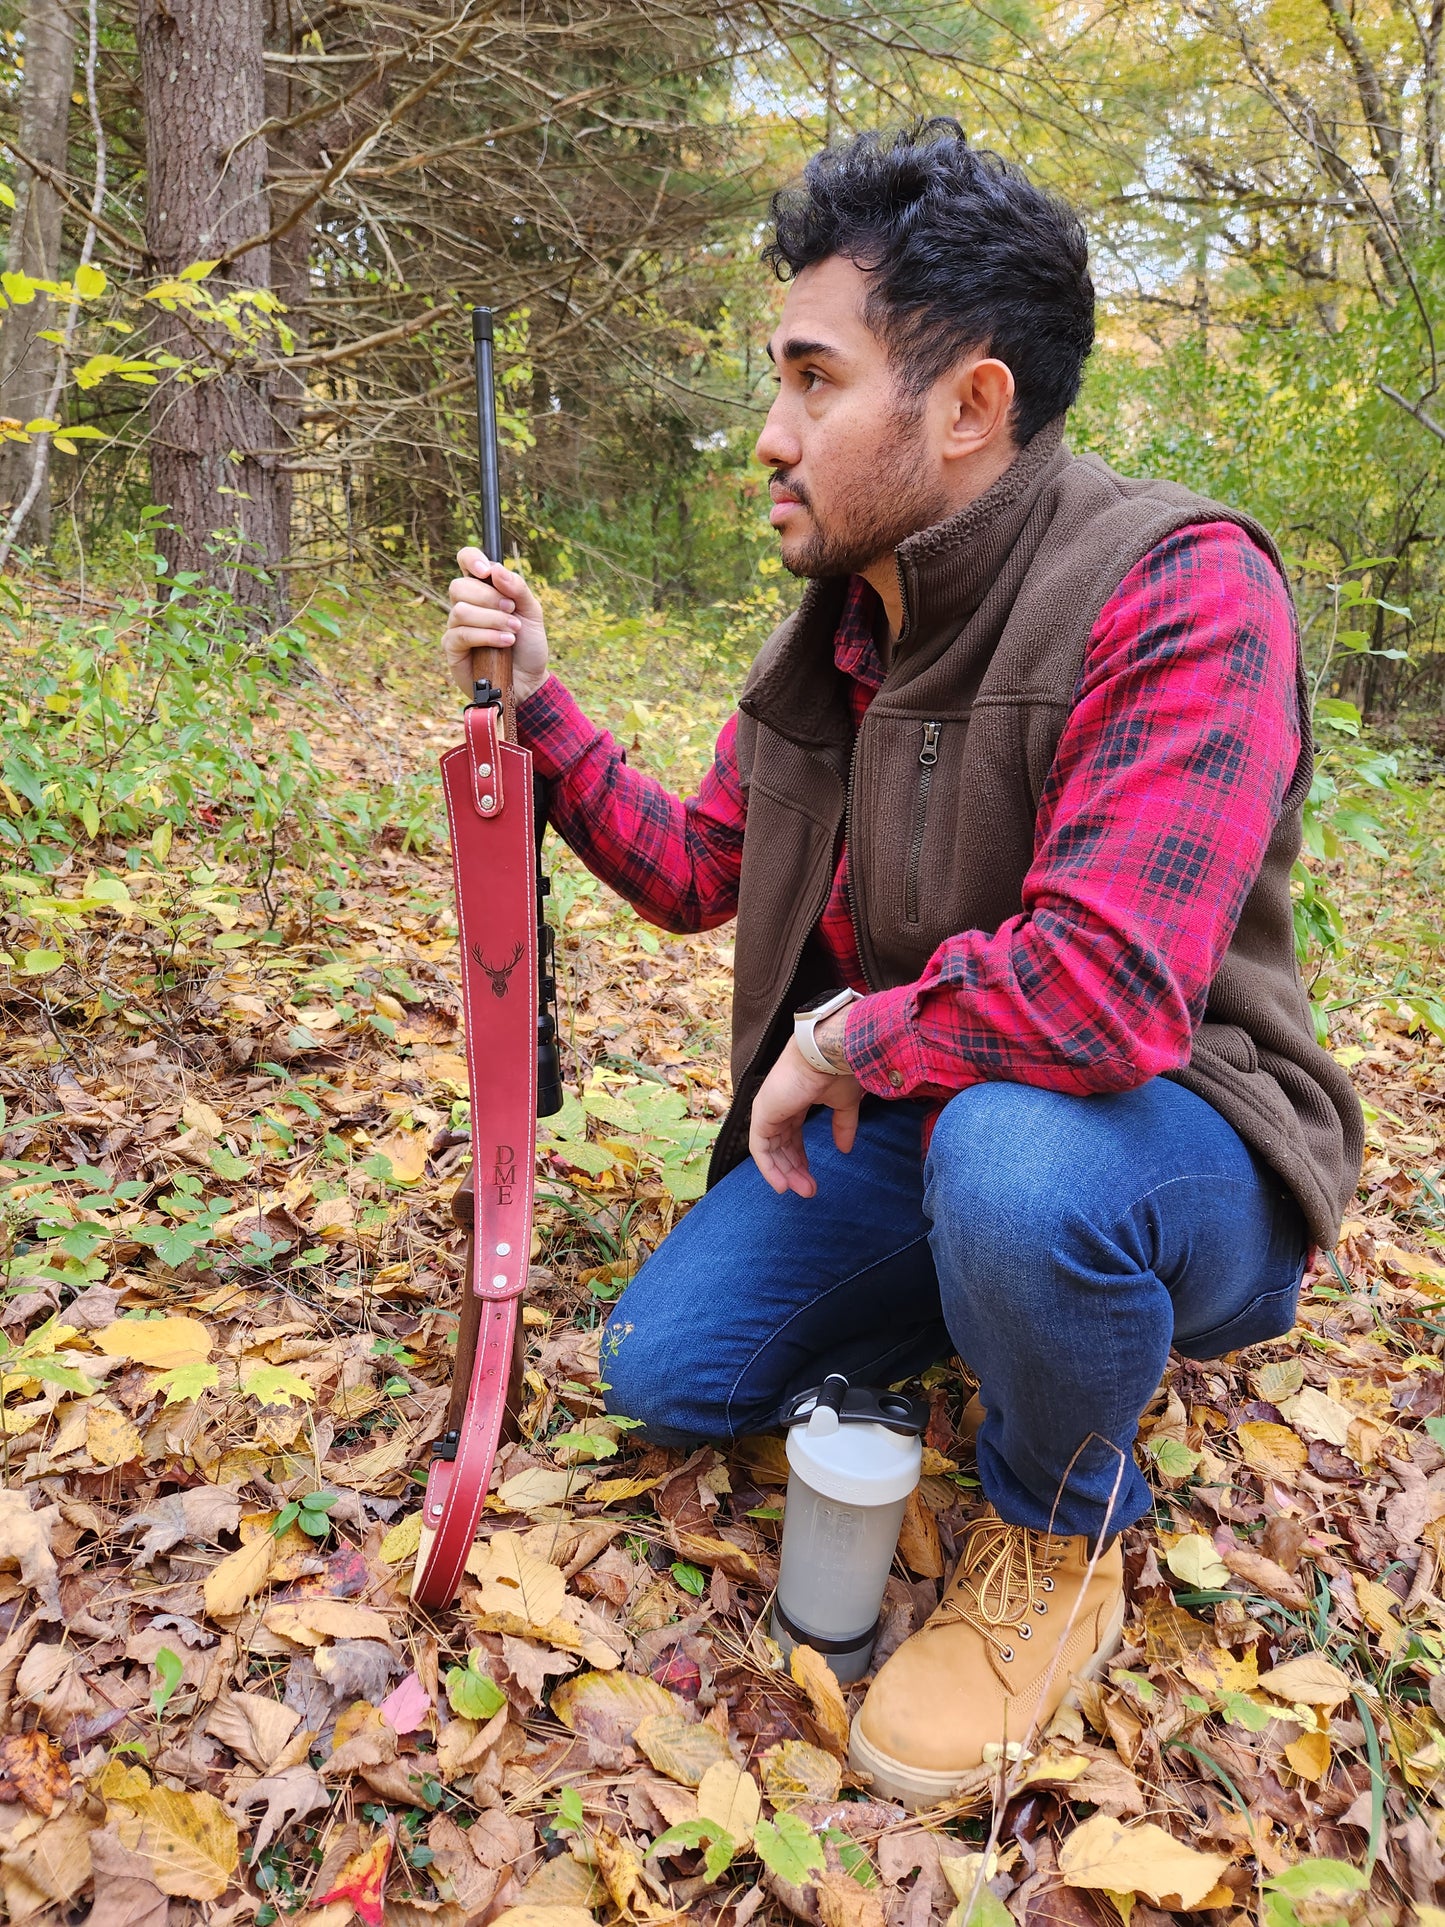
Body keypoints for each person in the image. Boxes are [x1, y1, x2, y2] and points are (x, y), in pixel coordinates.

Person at [441, 120, 1363, 1809]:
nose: (769, 434)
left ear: (966, 407)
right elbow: (692, 871)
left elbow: (1104, 992)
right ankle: (1009, 1303)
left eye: (811, 378)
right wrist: (542, 706)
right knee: (668, 1372)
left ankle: (1062, 1525)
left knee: (1021, 1170)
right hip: (923, 1140)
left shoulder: (1181, 584)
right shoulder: (840, 630)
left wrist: (847, 1037)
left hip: (1175, 1149)